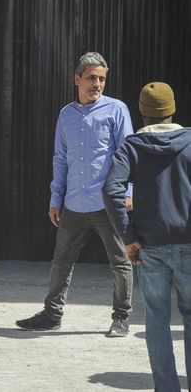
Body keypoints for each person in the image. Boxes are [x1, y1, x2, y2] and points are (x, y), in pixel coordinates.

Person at [15, 52, 134, 337]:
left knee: (120, 261)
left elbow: (129, 155)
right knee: (61, 261)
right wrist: (56, 198)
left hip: (108, 202)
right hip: (74, 203)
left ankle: (121, 317)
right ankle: (52, 314)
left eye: (102, 78)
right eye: (92, 77)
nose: (97, 84)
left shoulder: (116, 110)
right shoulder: (66, 114)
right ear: (77, 79)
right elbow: (60, 158)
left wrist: (128, 192)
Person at [103, 82, 191, 391]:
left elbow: (111, 189)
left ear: (142, 111)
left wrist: (128, 235)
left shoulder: (131, 147)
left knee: (156, 320)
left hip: (149, 247)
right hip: (189, 246)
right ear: (172, 109)